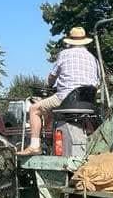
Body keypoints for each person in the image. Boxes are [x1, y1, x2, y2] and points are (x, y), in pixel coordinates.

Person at [19, 26, 101, 156]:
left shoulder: (64, 54)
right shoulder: (93, 58)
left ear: (70, 41)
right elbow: (97, 81)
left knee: (35, 109)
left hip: (67, 98)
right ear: (85, 41)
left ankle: (35, 146)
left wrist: (50, 84)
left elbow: (52, 77)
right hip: (88, 103)